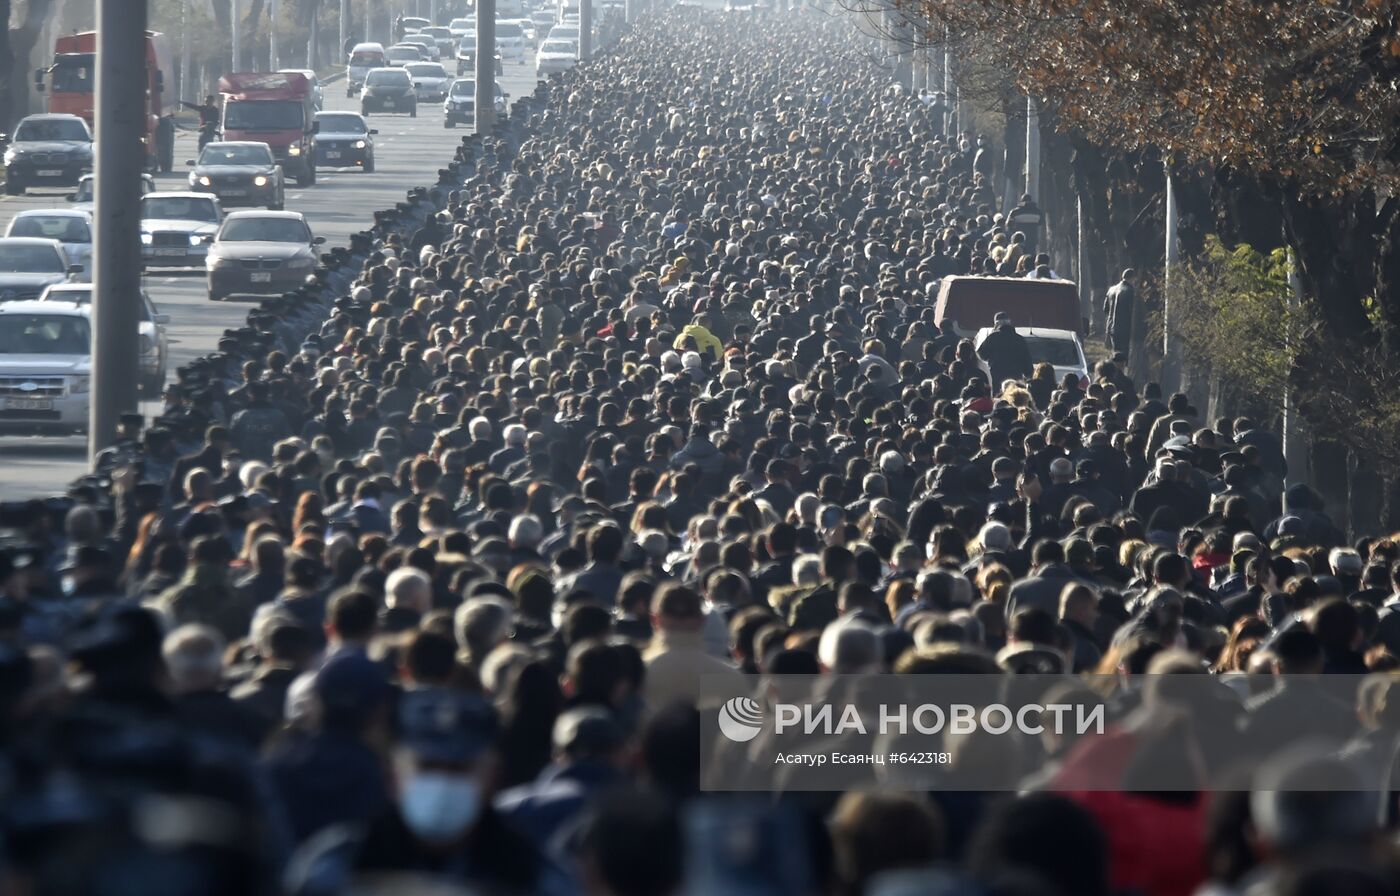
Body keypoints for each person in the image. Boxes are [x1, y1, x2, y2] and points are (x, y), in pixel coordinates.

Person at [976, 312, 1033, 389]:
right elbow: (1027, 361)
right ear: (1009, 323)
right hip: (1015, 378)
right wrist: (1029, 377)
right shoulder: (1019, 339)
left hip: (996, 377)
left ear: (996, 323)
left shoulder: (993, 337)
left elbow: (981, 354)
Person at [1102, 269, 1137, 359]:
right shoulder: (1130, 291)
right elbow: (1133, 312)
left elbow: (1105, 309)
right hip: (1125, 329)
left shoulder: (1111, 290)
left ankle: (1115, 371)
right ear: (1132, 278)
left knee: (1116, 354)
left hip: (1112, 328)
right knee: (1125, 356)